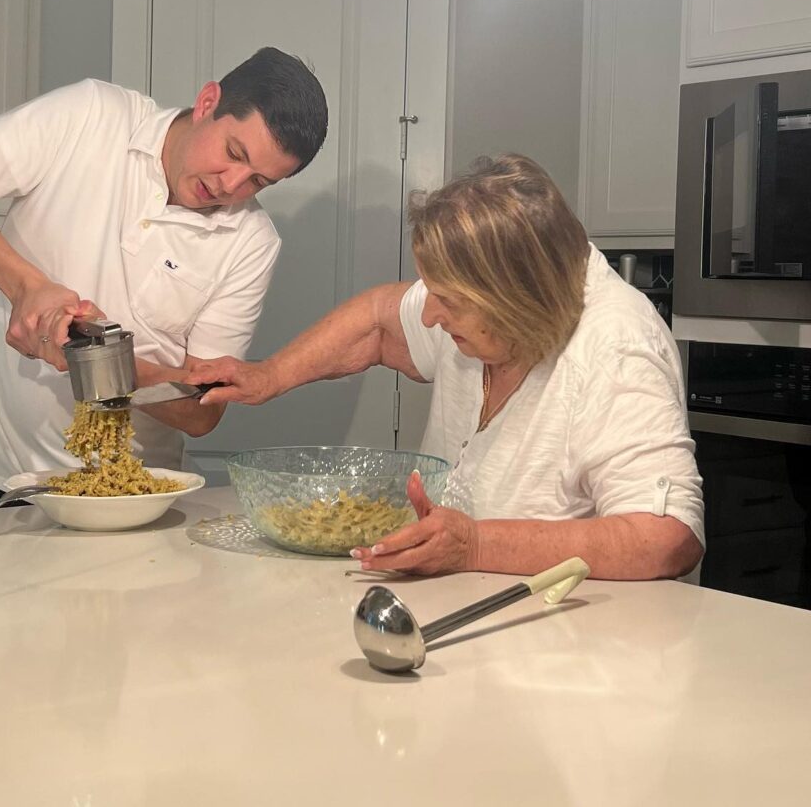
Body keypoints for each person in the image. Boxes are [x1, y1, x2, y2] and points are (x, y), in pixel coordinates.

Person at [187, 154, 704, 580]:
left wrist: (476, 544)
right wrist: (269, 375)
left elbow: (664, 539)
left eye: (449, 302)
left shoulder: (617, 347)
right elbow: (376, 319)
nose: (431, 316)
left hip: (570, 658)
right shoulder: (487, 311)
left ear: (516, 300)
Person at [0, 47, 328, 512]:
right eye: (233, 153)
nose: (230, 185)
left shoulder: (252, 242)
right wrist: (26, 286)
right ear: (207, 102)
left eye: (258, 181)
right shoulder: (92, 115)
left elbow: (202, 409)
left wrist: (100, 363)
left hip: (126, 496)